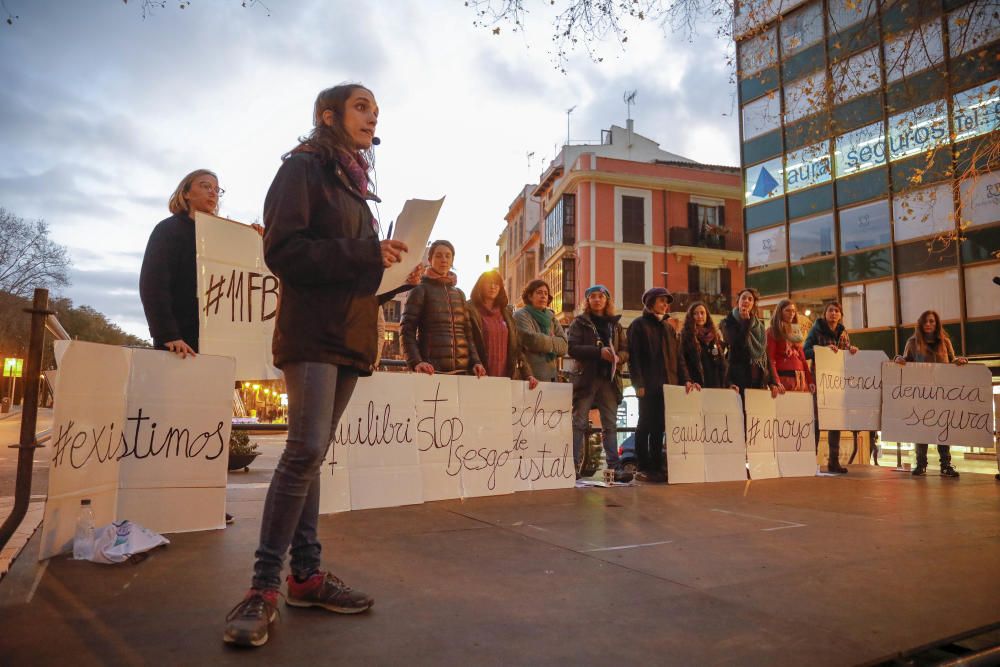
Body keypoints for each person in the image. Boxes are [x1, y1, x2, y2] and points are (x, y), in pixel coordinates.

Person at [224, 83, 413, 648]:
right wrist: (364, 253)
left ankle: (305, 576)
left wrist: (397, 274)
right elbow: (284, 252)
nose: (372, 116)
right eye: (361, 106)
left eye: (376, 110)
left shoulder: (356, 188)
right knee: (304, 449)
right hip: (311, 332)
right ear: (328, 116)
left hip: (350, 337)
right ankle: (263, 588)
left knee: (311, 455)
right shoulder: (303, 170)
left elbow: (352, 270)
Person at [140, 169, 248, 526]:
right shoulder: (168, 231)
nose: (213, 193)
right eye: (205, 186)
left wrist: (256, 243)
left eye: (218, 188)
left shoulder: (221, 239)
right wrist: (168, 333)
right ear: (185, 193)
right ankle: (163, 504)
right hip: (178, 343)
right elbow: (153, 284)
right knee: (174, 425)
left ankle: (206, 501)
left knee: (211, 427)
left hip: (214, 348)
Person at [627, 287, 696, 484]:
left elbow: (678, 358)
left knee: (660, 427)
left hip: (668, 386)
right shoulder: (638, 326)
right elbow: (634, 357)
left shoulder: (669, 328)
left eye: (667, 302)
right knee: (644, 426)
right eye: (661, 301)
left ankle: (657, 467)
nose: (665, 305)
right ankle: (643, 466)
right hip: (648, 386)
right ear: (650, 303)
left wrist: (686, 380)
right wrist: (638, 383)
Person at [567, 285, 632, 482]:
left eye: (601, 296)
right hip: (586, 378)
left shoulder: (616, 324)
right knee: (578, 423)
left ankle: (614, 468)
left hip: (609, 380)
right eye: (593, 297)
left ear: (606, 300)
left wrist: (618, 358)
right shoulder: (580, 322)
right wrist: (598, 353)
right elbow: (572, 348)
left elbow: (626, 350)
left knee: (610, 425)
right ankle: (571, 467)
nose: (597, 300)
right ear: (587, 301)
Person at [894, 310, 968, 478]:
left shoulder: (945, 342)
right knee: (921, 428)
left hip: (942, 393)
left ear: (936, 324)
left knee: (943, 428)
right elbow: (906, 360)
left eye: (932, 321)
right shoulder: (912, 342)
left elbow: (951, 359)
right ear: (920, 324)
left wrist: (959, 361)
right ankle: (920, 464)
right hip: (921, 394)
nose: (928, 324)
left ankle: (946, 464)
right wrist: (899, 359)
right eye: (925, 321)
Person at [401, 240, 486, 377]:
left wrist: (476, 362)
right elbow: (407, 330)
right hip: (431, 371)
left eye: (448, 256)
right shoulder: (420, 289)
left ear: (452, 260)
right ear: (430, 259)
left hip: (462, 372)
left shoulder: (459, 294)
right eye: (439, 255)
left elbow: (468, 335)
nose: (444, 260)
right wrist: (416, 362)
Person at [803, 301, 865, 474]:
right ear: (825, 314)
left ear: (840, 315)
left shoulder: (843, 332)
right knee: (817, 420)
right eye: (830, 310)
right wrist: (822, 350)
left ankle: (834, 461)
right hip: (820, 379)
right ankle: (810, 461)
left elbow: (845, 356)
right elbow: (804, 351)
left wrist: (851, 351)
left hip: (838, 382)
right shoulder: (816, 330)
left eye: (836, 311)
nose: (833, 313)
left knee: (835, 420)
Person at [466, 270, 539, 388]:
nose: (493, 286)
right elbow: (469, 341)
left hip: (506, 380)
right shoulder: (470, 310)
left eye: (496, 283)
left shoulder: (507, 313)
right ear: (480, 285)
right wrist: (476, 363)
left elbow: (516, 349)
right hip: (479, 377)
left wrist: (528, 375)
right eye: (488, 283)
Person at [720, 288, 782, 398]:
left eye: (750, 299)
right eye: (743, 298)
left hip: (758, 379)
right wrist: (745, 323)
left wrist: (772, 382)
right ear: (738, 301)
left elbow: (765, 353)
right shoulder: (728, 322)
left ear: (753, 304)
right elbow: (737, 344)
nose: (746, 301)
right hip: (738, 379)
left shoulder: (759, 326)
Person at [513, 279, 568, 382]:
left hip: (552, 377)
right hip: (530, 377)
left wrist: (545, 341)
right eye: (539, 292)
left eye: (546, 294)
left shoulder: (551, 317)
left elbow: (564, 346)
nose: (543, 296)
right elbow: (532, 341)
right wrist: (554, 341)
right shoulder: (521, 315)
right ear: (530, 296)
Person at [766, 299, 815, 395]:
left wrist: (810, 381)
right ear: (780, 312)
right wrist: (776, 381)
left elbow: (803, 360)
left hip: (801, 380)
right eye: (787, 310)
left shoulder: (796, 332)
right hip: (784, 379)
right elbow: (770, 359)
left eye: (793, 311)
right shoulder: (772, 331)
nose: (791, 313)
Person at [679, 301, 729, 390]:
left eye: (702, 313)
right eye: (695, 313)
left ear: (707, 315)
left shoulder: (714, 335)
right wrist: (688, 380)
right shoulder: (686, 336)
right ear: (691, 316)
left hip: (716, 386)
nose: (700, 316)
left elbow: (722, 363)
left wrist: (729, 384)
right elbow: (682, 362)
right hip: (697, 386)